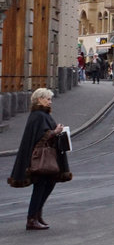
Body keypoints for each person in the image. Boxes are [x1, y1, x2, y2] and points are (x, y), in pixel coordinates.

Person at [6, 88, 70, 230]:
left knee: (48, 183)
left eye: (50, 99)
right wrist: (56, 132)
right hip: (40, 158)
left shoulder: (41, 114)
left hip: (45, 157)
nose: (50, 101)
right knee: (40, 186)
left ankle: (37, 214)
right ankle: (32, 218)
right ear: (39, 99)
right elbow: (41, 137)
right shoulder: (38, 115)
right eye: (47, 99)